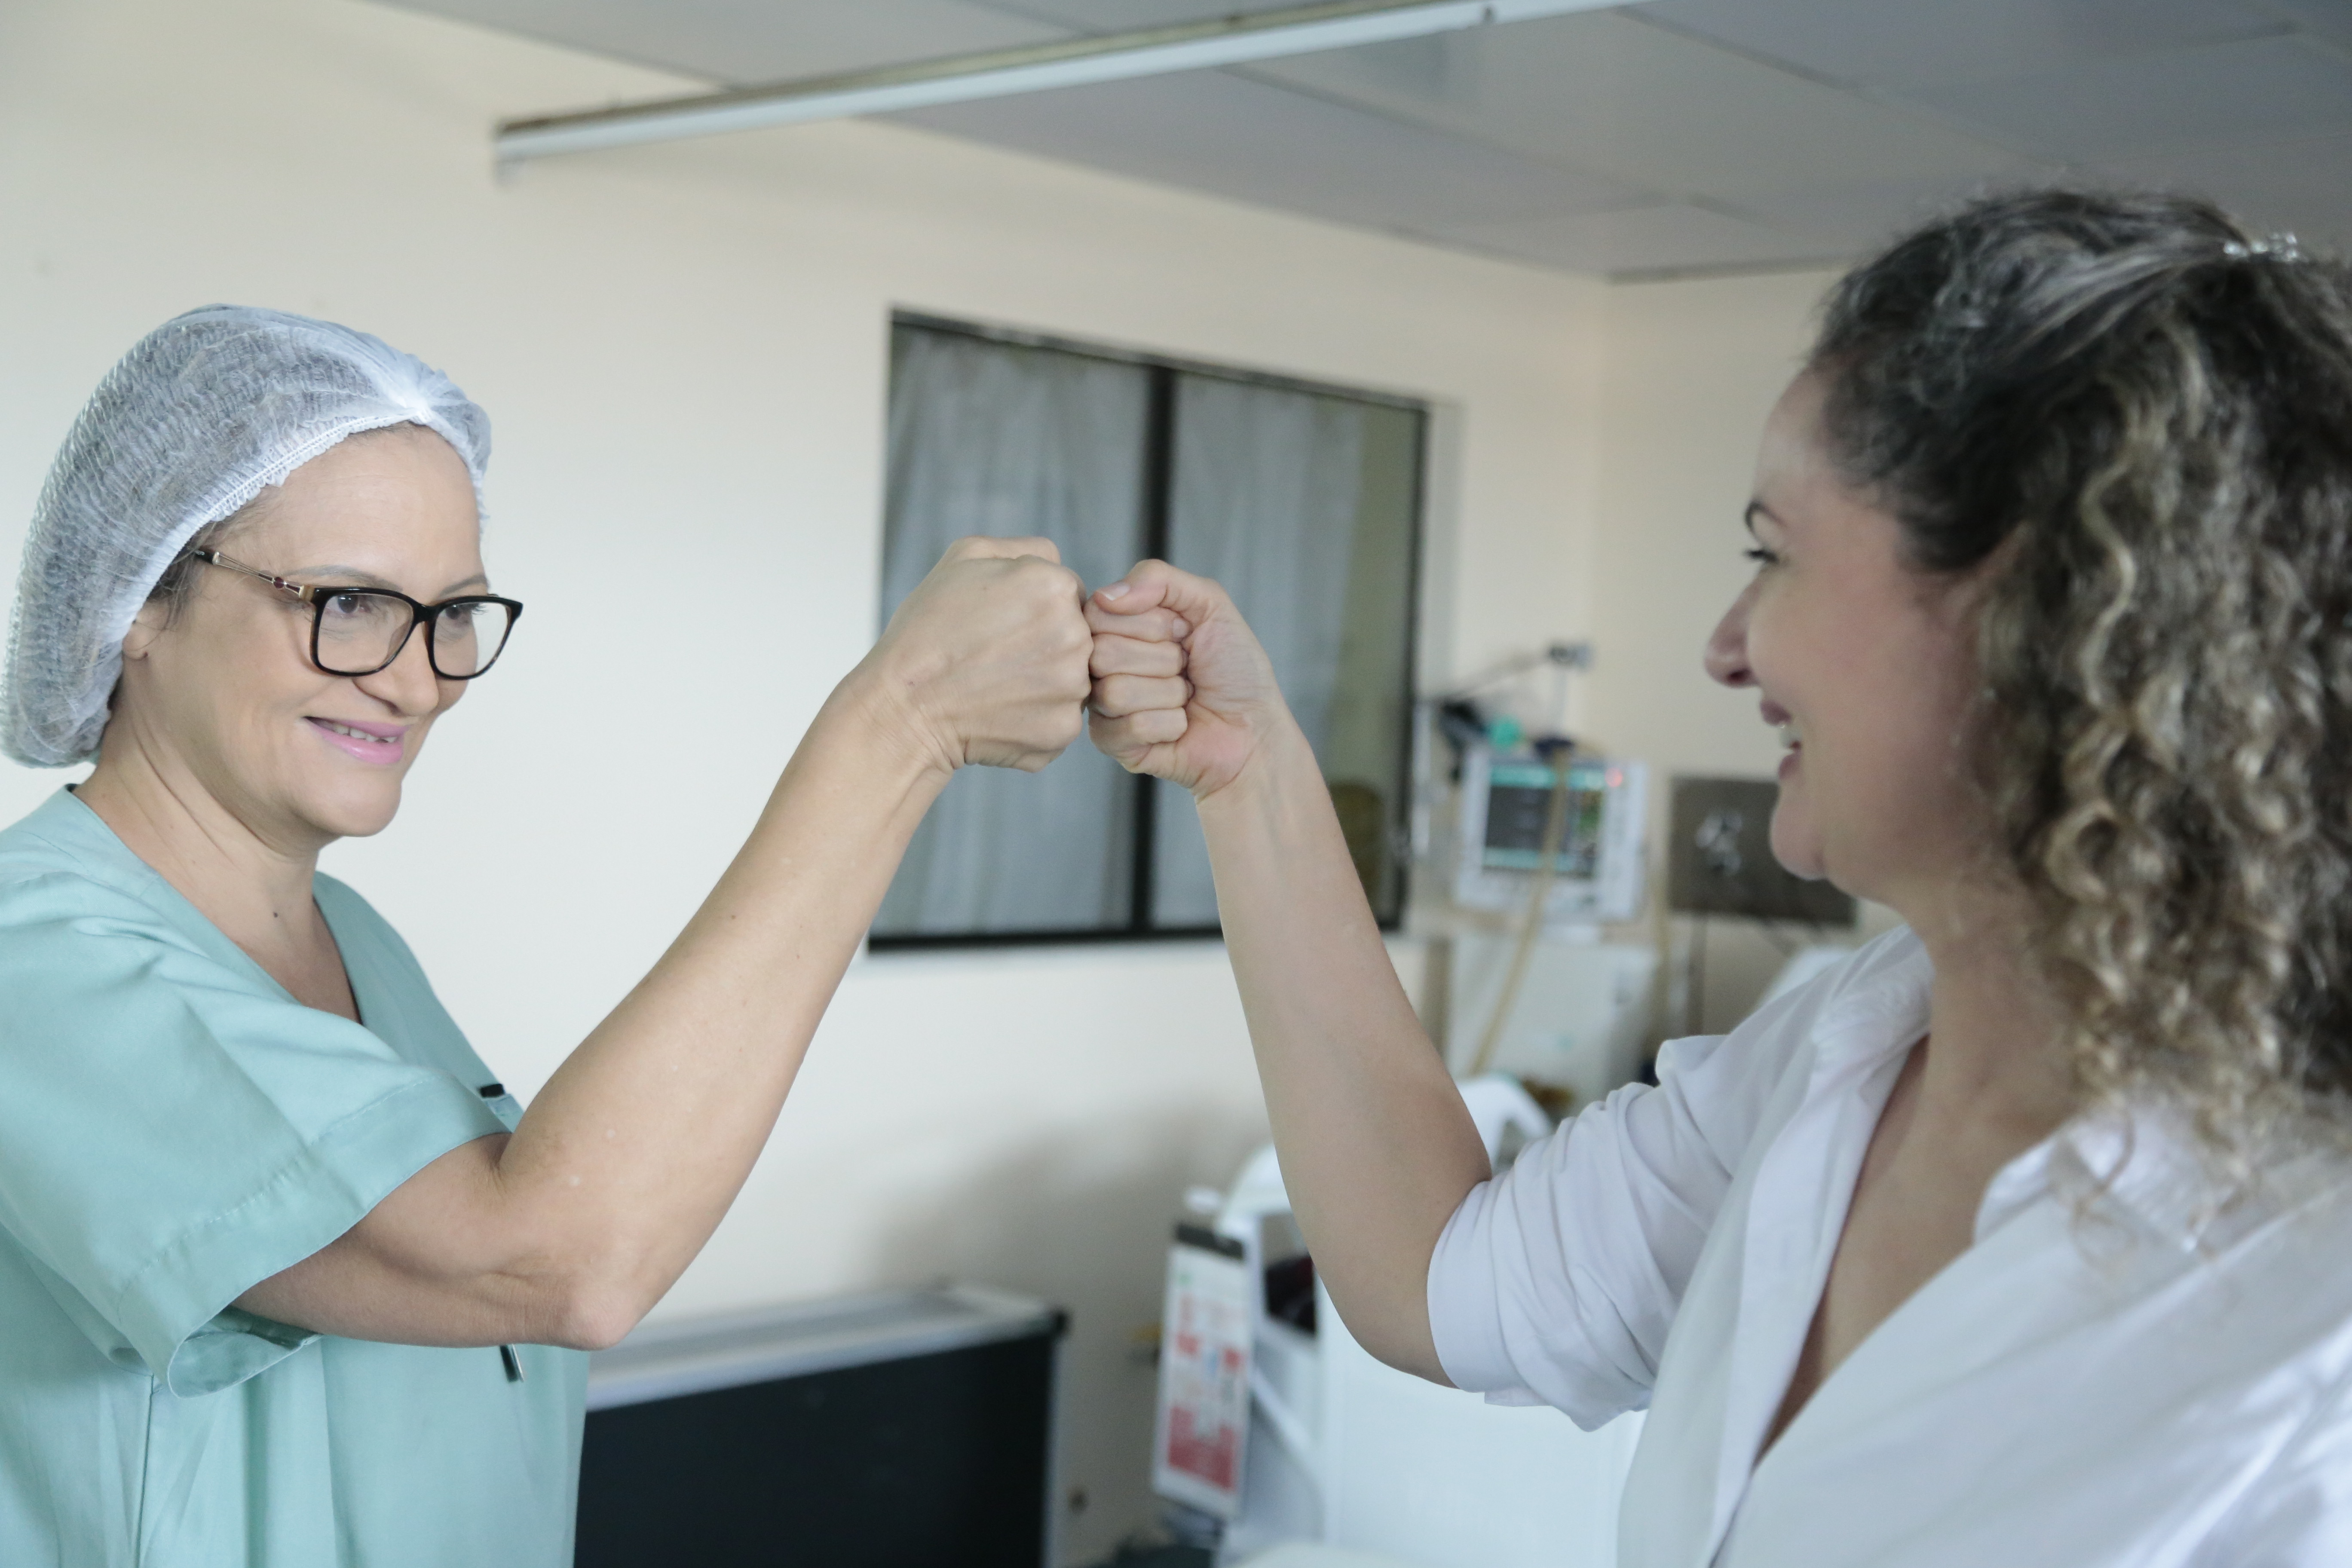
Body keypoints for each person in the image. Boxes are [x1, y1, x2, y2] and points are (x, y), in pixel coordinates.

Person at [1084, 189, 2352, 1565]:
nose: (1728, 646)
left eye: (1775, 554)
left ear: (2033, 609)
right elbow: (1431, 1277)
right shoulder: (1841, 1058)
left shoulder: (2308, 1307)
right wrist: (1254, 769)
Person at [0, 305, 1110, 1564]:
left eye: (453, 615)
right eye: (350, 602)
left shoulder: (353, 939)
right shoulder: (31, 963)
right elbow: (555, 1259)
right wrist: (900, 725)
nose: (417, 680)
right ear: (142, 598)